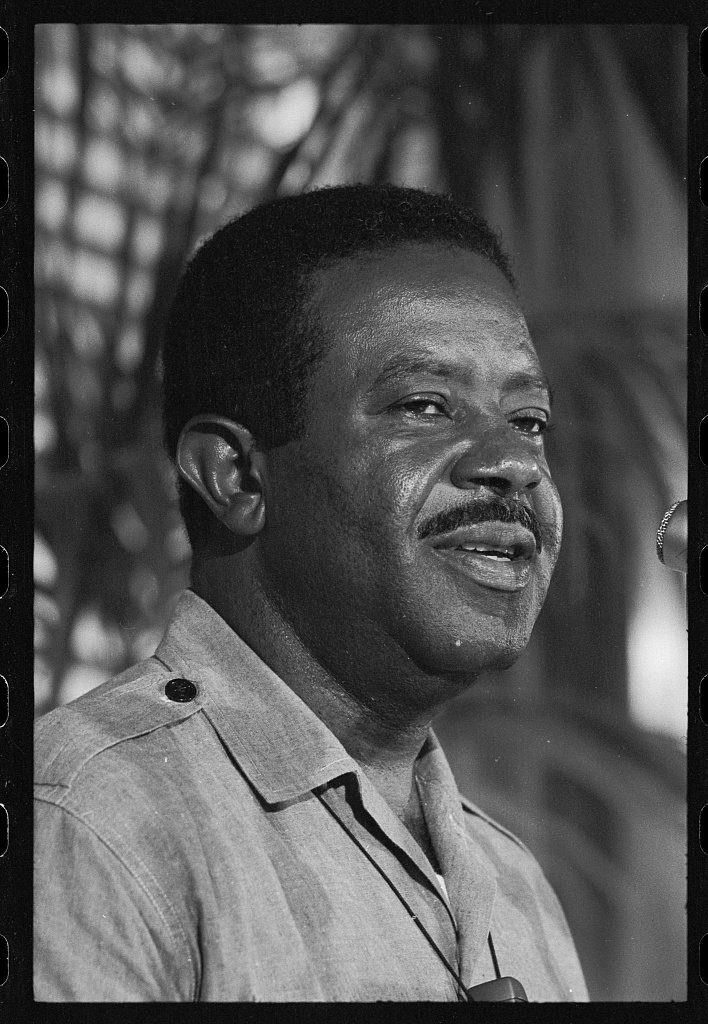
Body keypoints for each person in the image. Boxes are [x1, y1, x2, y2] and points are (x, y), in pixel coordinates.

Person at [34, 183, 589, 1002]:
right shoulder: (96, 824)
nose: (516, 462)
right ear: (237, 476)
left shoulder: (517, 886)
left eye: (530, 418)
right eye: (425, 405)